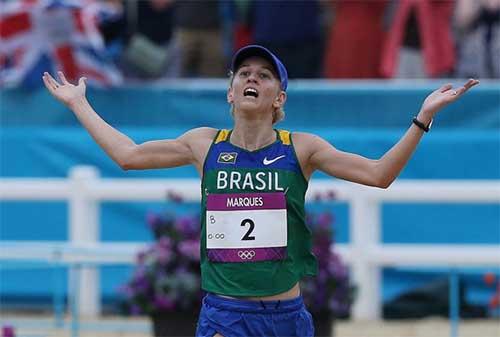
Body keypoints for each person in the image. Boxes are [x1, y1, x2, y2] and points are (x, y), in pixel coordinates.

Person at [42, 45, 478, 337]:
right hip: (226, 316)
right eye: (244, 73)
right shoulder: (203, 144)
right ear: (231, 93)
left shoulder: (302, 148)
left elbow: (380, 174)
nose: (253, 78)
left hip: (287, 318)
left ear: (278, 99)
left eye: (265, 75)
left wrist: (422, 118)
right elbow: (128, 155)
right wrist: (80, 103)